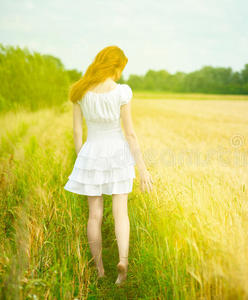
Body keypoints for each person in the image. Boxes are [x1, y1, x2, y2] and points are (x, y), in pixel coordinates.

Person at [63, 45, 153, 286]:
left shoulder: (80, 91)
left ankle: (100, 269)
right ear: (115, 66)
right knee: (120, 213)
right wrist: (142, 168)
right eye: (121, 68)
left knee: (94, 216)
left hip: (92, 151)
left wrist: (83, 157)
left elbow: (76, 130)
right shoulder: (121, 92)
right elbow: (130, 134)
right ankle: (122, 262)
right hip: (118, 153)